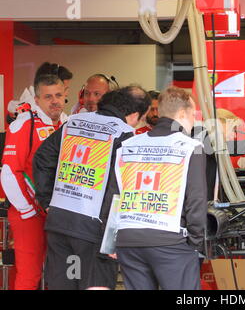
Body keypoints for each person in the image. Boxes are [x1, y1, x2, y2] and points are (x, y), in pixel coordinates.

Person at [33, 86, 150, 290]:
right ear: (133, 115)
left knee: (64, 284)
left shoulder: (73, 122)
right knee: (95, 286)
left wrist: (47, 201)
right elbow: (120, 188)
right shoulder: (124, 135)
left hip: (60, 221)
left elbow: (42, 157)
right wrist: (112, 235)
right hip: (94, 230)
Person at [113, 86, 207, 290]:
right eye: (193, 114)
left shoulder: (127, 145)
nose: (194, 119)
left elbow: (115, 194)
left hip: (128, 239)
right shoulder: (190, 147)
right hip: (170, 240)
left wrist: (113, 237)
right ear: (182, 113)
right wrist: (195, 241)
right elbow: (196, 200)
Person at [0, 74, 67, 290]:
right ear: (37, 100)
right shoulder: (24, 124)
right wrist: (27, 209)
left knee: (60, 273)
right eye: (48, 97)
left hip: (59, 212)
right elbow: (9, 172)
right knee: (29, 275)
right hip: (29, 213)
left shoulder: (69, 124)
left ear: (66, 95)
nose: (54, 101)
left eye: (58, 95)